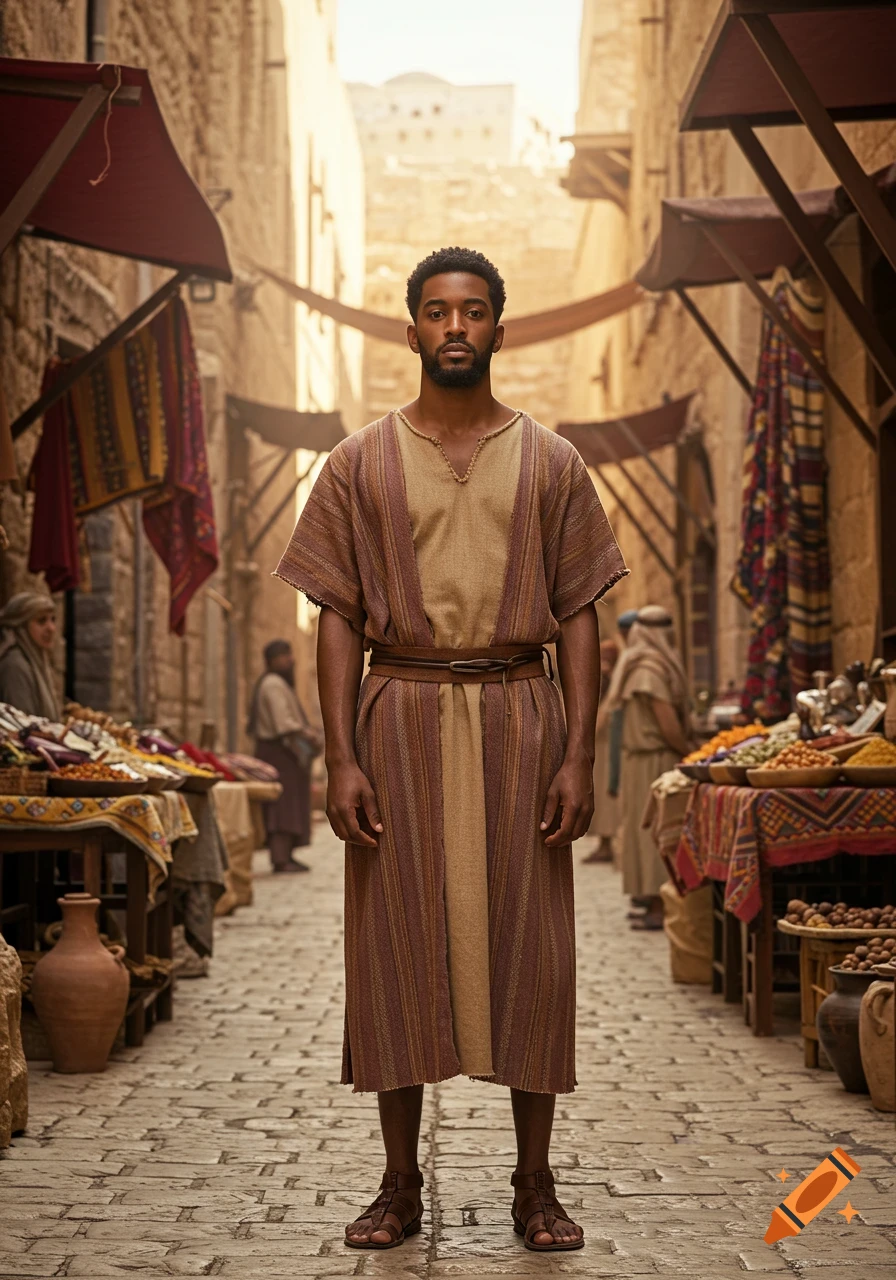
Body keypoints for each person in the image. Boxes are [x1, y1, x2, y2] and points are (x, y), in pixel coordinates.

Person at [275, 247, 626, 1253]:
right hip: (400, 719)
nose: (455, 327)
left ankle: (534, 1181)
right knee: (393, 948)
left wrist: (576, 752)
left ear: (500, 328)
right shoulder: (357, 463)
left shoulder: (553, 461)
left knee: (532, 951)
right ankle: (396, 1182)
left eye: (473, 310)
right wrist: (339, 754)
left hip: (521, 719)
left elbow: (577, 615)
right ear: (412, 330)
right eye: (436, 312)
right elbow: (335, 616)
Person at [606, 605, 690, 931]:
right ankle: (657, 904)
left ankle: (657, 902)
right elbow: (667, 725)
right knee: (656, 835)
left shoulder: (642, 665)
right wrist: (689, 751)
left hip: (643, 761)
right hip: (654, 760)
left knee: (648, 835)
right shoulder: (648, 671)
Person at [247, 639, 320, 874]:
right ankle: (280, 858)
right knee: (282, 806)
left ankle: (287, 855)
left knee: (290, 803)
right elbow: (283, 723)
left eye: (289, 654)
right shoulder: (273, 684)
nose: (289, 660)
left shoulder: (277, 683)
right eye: (283, 656)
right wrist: (307, 733)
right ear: (272, 660)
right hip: (279, 753)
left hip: (284, 753)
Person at [579, 637, 620, 864]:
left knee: (607, 795)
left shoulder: (616, 677)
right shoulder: (599, 675)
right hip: (597, 742)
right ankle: (603, 843)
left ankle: (607, 843)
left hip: (609, 744)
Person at [0, 591, 61, 719]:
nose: (51, 628)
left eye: (53, 619)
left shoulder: (35, 660)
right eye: (41, 621)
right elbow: (23, 726)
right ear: (21, 625)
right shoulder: (15, 665)